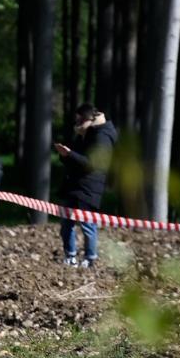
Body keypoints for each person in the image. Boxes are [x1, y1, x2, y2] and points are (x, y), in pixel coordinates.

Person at [55, 105, 117, 268]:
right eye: (76, 120)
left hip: (89, 188)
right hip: (74, 186)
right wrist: (65, 155)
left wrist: (70, 154)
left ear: (90, 119)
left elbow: (93, 164)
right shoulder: (84, 134)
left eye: (80, 120)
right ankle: (70, 256)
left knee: (88, 225)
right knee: (66, 224)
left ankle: (90, 258)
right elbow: (76, 158)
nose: (77, 124)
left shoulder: (103, 137)